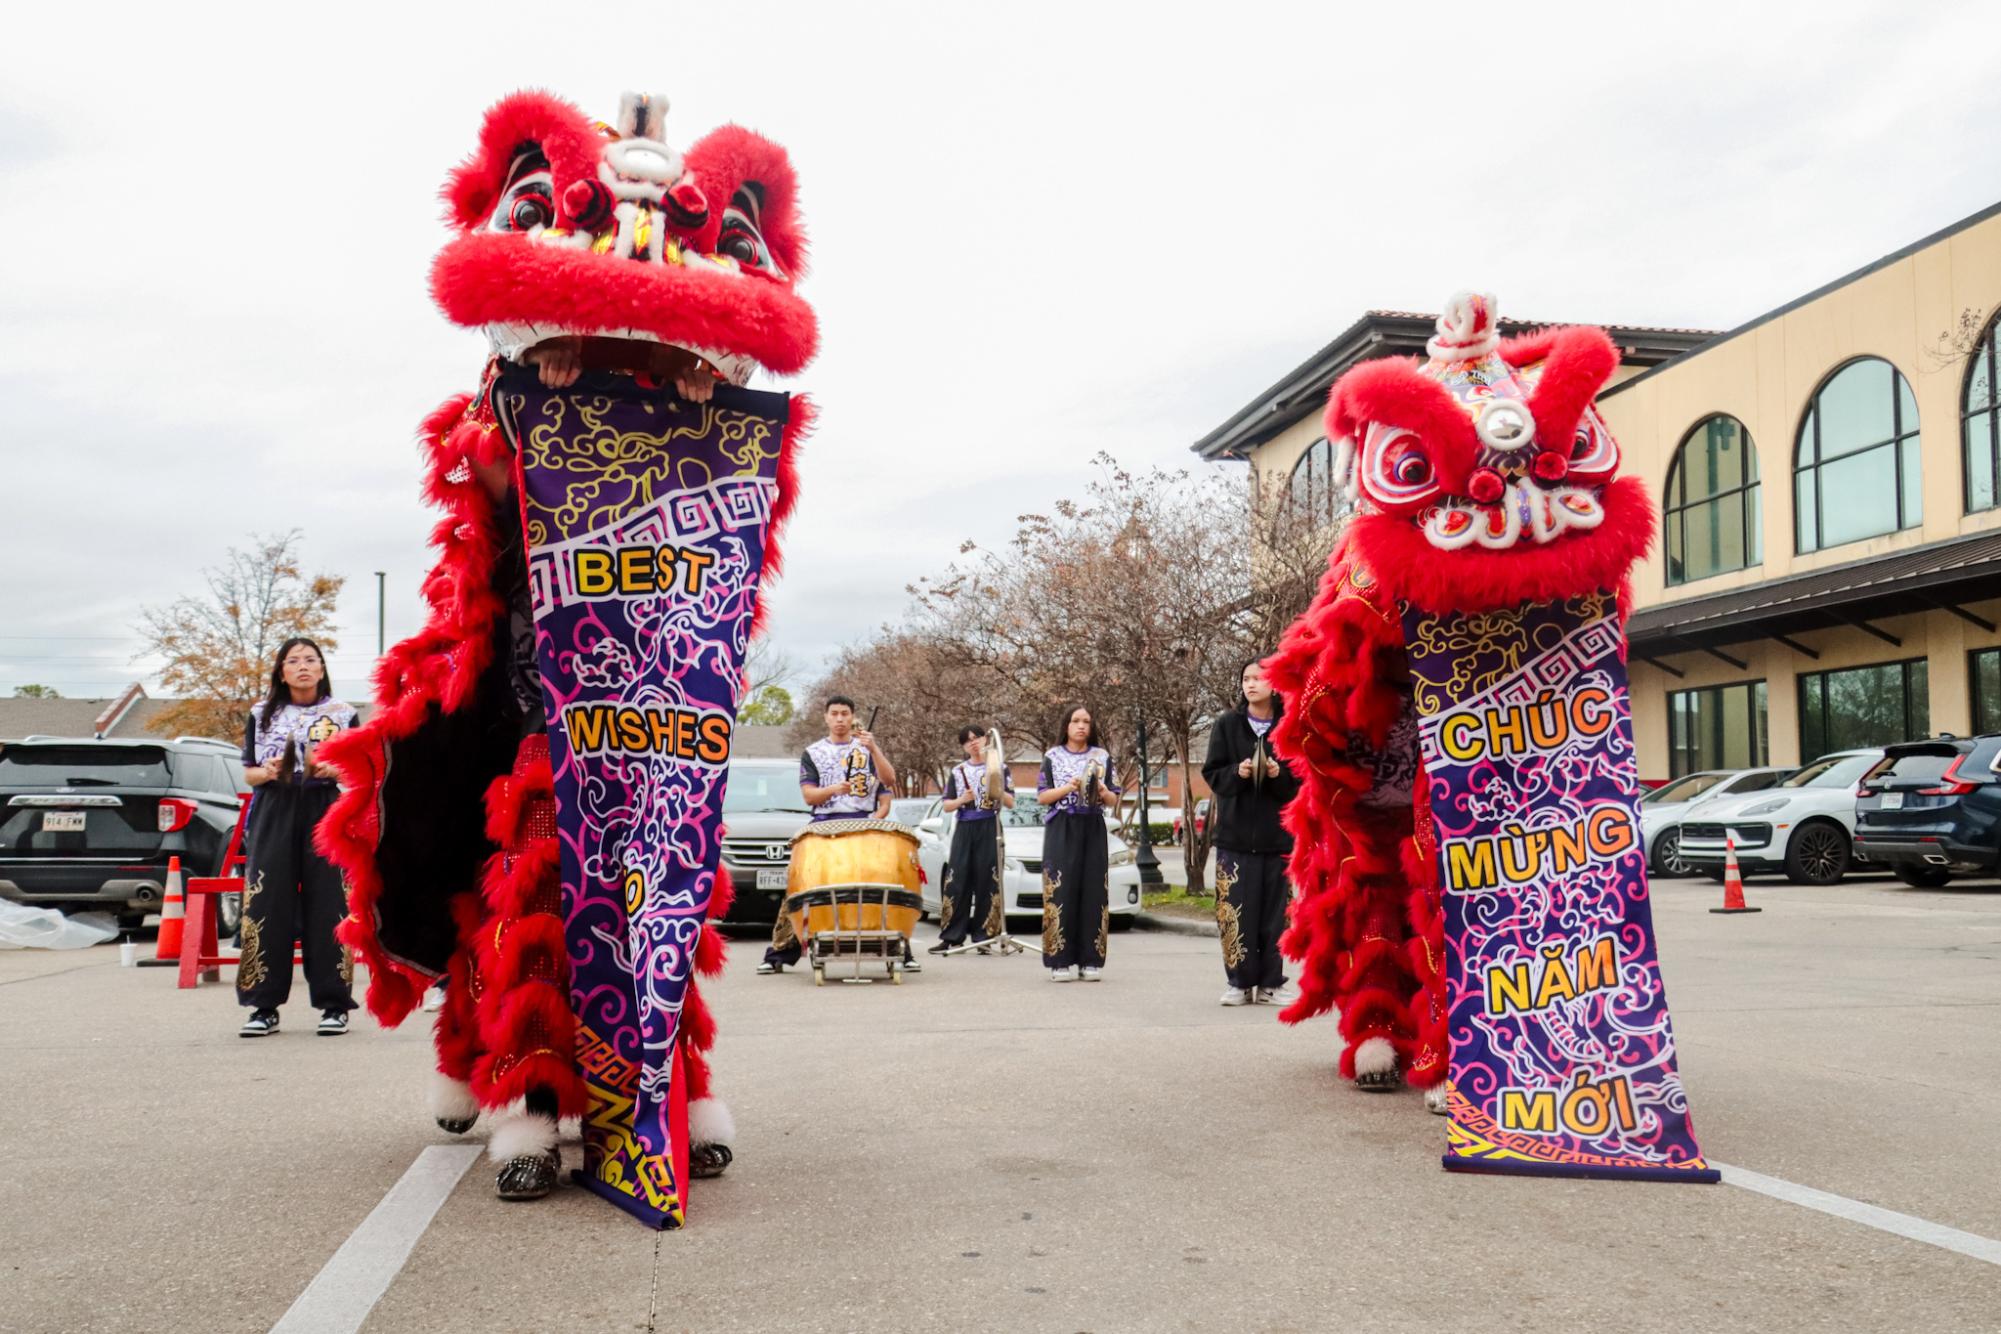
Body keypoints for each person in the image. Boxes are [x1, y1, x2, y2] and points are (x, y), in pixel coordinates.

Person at [236, 638, 360, 1037]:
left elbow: (356, 774)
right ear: (282, 671)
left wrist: (332, 771)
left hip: (324, 807)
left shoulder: (343, 714)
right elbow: (249, 773)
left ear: (322, 669)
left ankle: (334, 1005)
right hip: (274, 806)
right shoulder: (262, 713)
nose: (303, 666)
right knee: (267, 899)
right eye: (294, 660)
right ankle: (262, 1006)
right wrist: (269, 771)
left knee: (330, 902)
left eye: (311, 660)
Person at [758, 696, 903, 974]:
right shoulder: (813, 752)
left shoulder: (867, 749)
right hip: (824, 825)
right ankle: (779, 950)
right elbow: (808, 795)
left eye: (844, 714)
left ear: (852, 717)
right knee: (802, 882)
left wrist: (874, 749)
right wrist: (835, 789)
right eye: (834, 714)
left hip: (862, 825)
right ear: (826, 717)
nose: (839, 719)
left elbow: (889, 781)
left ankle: (899, 948)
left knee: (882, 881)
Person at [1202, 659, 1300, 1006]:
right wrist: (1237, 772)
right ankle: (1239, 983)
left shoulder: (1288, 727)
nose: (1252, 684)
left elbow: (1299, 781)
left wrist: (1276, 775)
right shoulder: (1228, 725)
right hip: (1235, 838)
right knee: (1235, 913)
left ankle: (1271, 983)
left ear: (1275, 684)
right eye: (1246, 678)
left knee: (1276, 917)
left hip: (1277, 839)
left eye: (1259, 678)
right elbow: (1212, 774)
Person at [1036, 703, 1120, 981]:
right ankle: (1059, 960)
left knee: (1094, 891)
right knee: (1062, 891)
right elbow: (1042, 796)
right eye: (1076, 721)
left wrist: (1105, 791)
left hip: (1092, 825)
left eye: (1087, 721)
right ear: (1066, 726)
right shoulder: (1052, 756)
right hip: (1062, 826)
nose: (1082, 725)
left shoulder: (1102, 756)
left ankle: (1090, 960)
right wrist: (1069, 788)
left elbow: (1113, 799)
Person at [929, 726, 1014, 954]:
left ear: (986, 739)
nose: (973, 743)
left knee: (989, 880)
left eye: (977, 738)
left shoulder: (999, 768)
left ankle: (985, 935)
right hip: (965, 825)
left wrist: (996, 786)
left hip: (990, 823)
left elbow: (1010, 802)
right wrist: (962, 799)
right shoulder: (958, 771)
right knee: (957, 880)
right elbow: (947, 805)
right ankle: (951, 936)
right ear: (963, 747)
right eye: (967, 741)